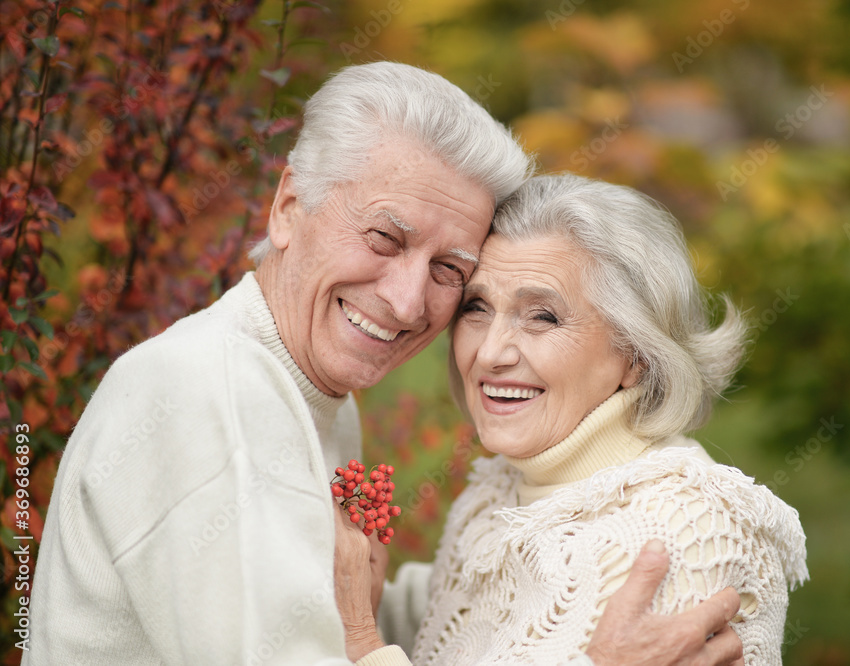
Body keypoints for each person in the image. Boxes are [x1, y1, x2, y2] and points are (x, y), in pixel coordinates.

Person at [26, 63, 743, 666]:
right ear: (288, 206)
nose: (406, 300)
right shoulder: (208, 397)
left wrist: (528, 565)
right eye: (383, 237)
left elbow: (321, 608)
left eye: (448, 269)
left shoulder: (304, 391)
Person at [400, 174, 809, 664]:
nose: (488, 353)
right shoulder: (496, 494)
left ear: (636, 354)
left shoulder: (689, 530)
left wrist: (365, 642)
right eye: (477, 307)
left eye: (542, 316)